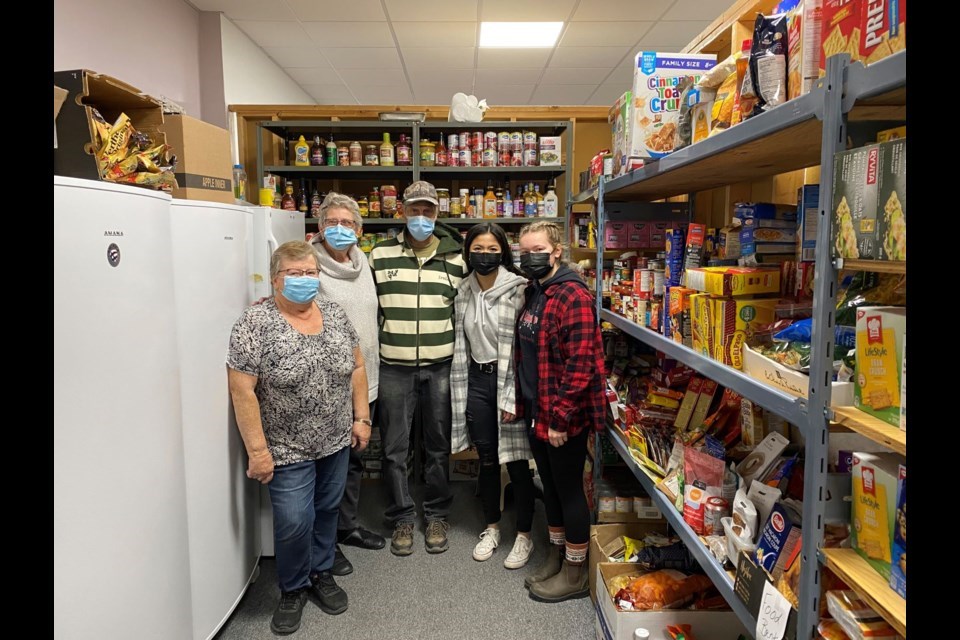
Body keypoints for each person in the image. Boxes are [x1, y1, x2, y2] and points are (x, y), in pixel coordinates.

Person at [227, 241, 371, 635]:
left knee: (327, 511)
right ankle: (292, 588)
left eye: (310, 273)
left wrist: (362, 418)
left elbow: (357, 367)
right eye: (294, 273)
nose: (304, 280)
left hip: (336, 439)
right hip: (285, 446)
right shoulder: (254, 323)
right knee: (293, 521)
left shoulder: (336, 315)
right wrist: (257, 451)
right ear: (276, 278)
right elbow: (241, 390)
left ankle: (321, 572)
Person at [368, 180, 466, 556]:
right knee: (394, 448)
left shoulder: (456, 259)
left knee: (438, 445)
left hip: (441, 367)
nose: (421, 218)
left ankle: (437, 513)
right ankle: (402, 517)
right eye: (414, 210)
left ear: (437, 213)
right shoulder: (380, 256)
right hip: (394, 367)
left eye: (428, 211)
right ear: (402, 212)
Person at [513, 221, 606, 603]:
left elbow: (581, 363)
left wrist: (560, 418)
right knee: (548, 486)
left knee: (569, 491)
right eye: (523, 251)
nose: (529, 257)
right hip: (538, 409)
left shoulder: (573, 296)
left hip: (562, 417)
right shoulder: (536, 291)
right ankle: (555, 554)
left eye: (537, 250)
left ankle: (575, 573)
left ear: (555, 252)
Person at [450, 222, 536, 568]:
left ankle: (525, 535)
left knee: (516, 461)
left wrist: (515, 396)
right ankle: (492, 528)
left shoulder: (521, 290)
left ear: (504, 251)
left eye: (492, 249)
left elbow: (525, 350)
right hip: (476, 381)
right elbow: (462, 344)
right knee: (486, 459)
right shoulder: (462, 292)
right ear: (468, 251)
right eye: (478, 249)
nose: (484, 256)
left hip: (510, 382)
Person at [309, 193, 386, 577]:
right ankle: (326, 544)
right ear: (320, 226)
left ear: (360, 229)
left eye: (348, 222)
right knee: (328, 470)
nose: (340, 229)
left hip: (364, 380)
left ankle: (346, 527)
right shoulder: (309, 265)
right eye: (332, 222)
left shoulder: (363, 262)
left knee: (354, 461)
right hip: (327, 385)